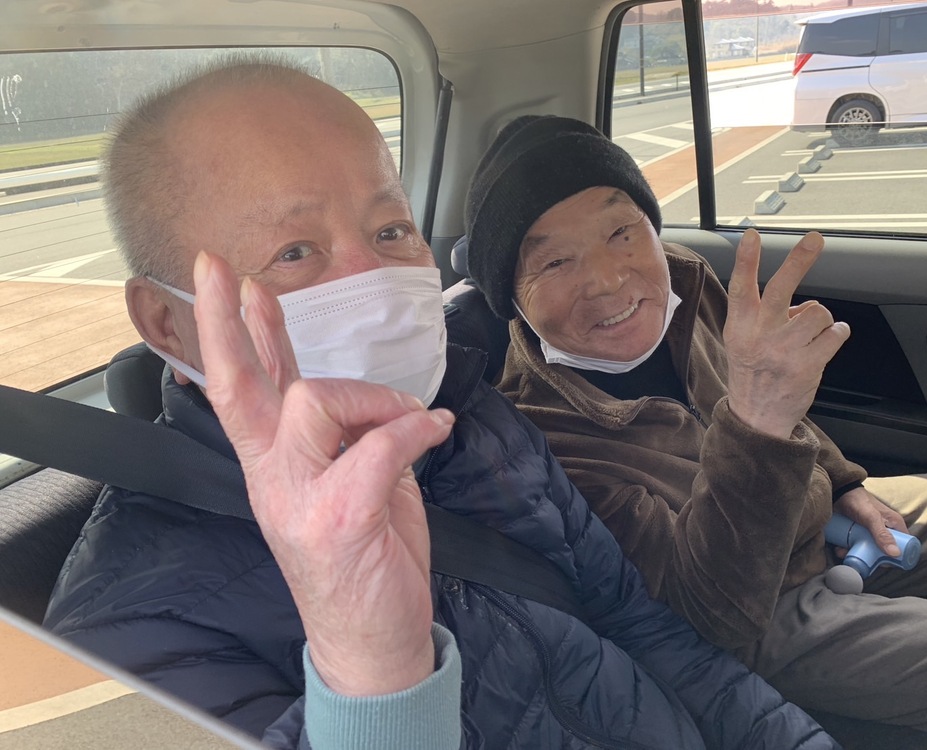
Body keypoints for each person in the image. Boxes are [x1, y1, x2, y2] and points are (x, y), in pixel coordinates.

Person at [42, 59, 841, 749]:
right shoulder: (126, 635)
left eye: (392, 232)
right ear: (166, 322)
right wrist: (373, 676)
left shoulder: (480, 425)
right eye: (295, 252)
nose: (371, 281)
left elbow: (650, 632)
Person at [463, 114, 927, 747]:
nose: (608, 279)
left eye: (622, 232)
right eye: (555, 261)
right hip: (758, 617)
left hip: (819, 517)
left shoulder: (687, 283)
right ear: (511, 295)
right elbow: (708, 615)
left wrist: (841, 480)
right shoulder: (539, 442)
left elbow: (774, 390)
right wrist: (757, 422)